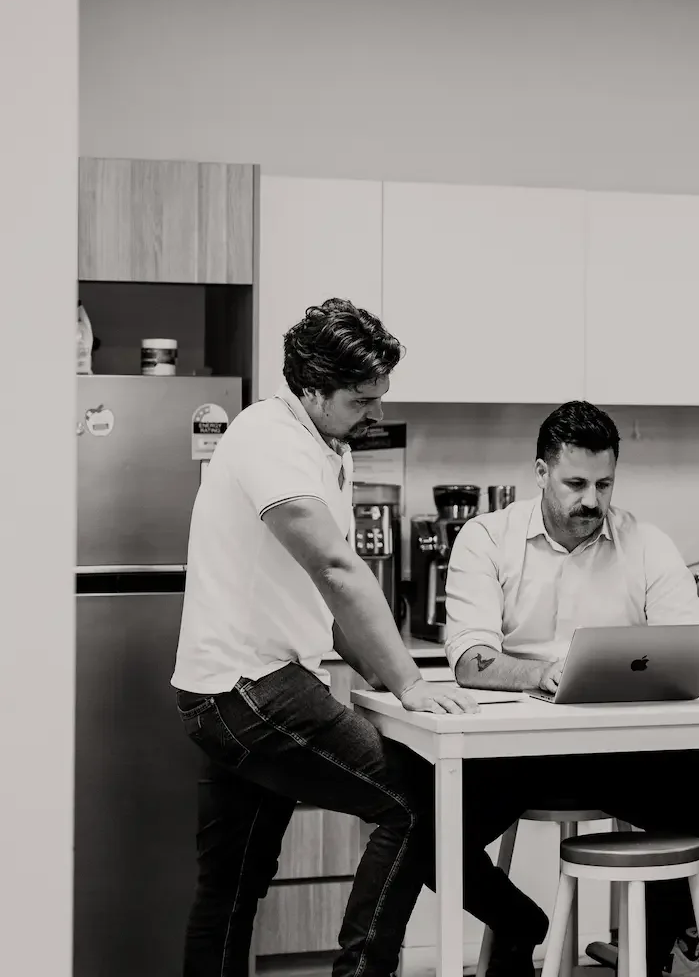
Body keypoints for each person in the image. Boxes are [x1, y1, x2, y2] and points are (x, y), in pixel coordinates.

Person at [170, 299, 477, 977]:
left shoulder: (317, 446)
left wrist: (387, 679)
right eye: (362, 400)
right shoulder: (270, 439)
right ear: (311, 388)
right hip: (252, 689)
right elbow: (337, 569)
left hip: (224, 690)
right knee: (416, 806)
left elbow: (332, 610)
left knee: (231, 887)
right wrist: (410, 682)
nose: (375, 414)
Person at [432, 400, 699, 977]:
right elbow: (470, 658)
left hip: (612, 751)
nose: (591, 500)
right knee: (425, 832)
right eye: (575, 483)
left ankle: (654, 953)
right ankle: (519, 921)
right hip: (513, 753)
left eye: (604, 483)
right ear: (541, 473)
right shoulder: (487, 537)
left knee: (693, 791)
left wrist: (689, 664)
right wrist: (537, 674)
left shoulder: (644, 542)